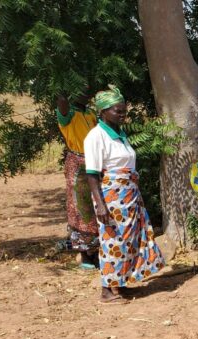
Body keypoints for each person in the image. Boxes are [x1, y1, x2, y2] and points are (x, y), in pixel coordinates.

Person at [83, 86, 165, 303]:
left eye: (123, 111)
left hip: (129, 194)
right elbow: (92, 174)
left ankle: (121, 283)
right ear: (103, 112)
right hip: (111, 196)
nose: (122, 115)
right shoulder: (96, 136)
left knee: (129, 240)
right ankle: (106, 290)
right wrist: (100, 205)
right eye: (117, 111)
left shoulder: (119, 135)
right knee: (113, 240)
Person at [56, 89, 99, 269]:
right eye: (78, 87)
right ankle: (85, 254)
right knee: (81, 208)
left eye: (87, 89)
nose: (85, 91)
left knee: (98, 205)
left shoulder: (90, 113)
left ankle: (96, 251)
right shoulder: (68, 115)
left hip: (95, 160)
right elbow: (62, 104)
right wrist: (62, 87)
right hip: (78, 162)